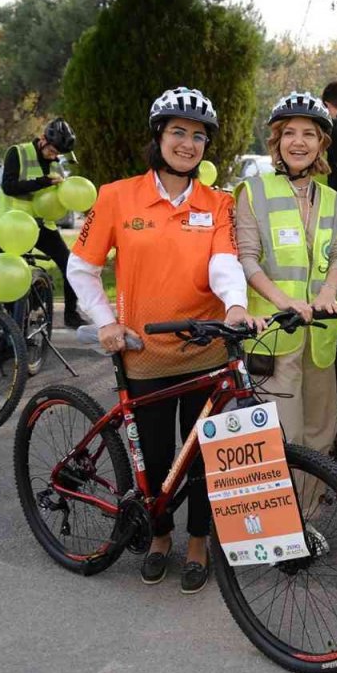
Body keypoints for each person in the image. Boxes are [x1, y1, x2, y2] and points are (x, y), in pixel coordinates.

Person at [66, 86, 252, 595]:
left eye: (198, 136)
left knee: (203, 456)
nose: (188, 144)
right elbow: (82, 268)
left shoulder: (219, 202)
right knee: (154, 454)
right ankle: (160, 537)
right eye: (178, 133)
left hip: (205, 347)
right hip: (142, 352)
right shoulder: (116, 196)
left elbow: (224, 262)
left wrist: (235, 303)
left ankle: (198, 541)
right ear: (158, 137)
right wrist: (105, 321)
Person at [235, 92, 337, 476]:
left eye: (309, 134)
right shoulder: (254, 192)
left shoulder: (332, 199)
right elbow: (247, 259)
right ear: (277, 142)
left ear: (321, 144)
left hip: (319, 333)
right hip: (275, 333)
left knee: (320, 432)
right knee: (286, 436)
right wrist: (284, 301)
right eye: (290, 133)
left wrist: (329, 291)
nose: (299, 142)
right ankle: (288, 525)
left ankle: (311, 519)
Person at [0, 118, 84, 328]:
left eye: (58, 154)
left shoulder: (55, 164)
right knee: (10, 274)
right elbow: (9, 187)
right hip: (15, 224)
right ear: (43, 140)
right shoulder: (17, 152)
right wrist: (41, 183)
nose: (55, 157)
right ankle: (9, 326)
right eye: (53, 151)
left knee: (70, 265)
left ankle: (71, 314)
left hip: (43, 224)